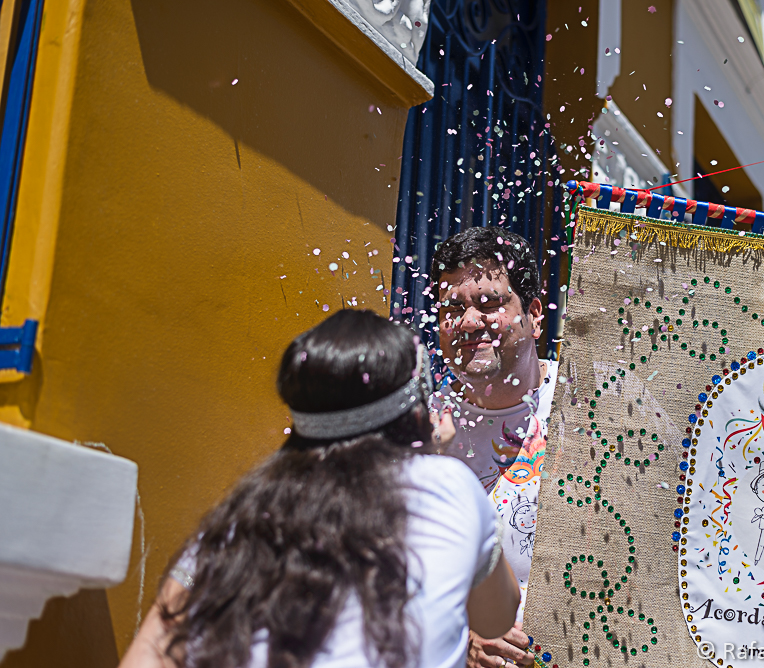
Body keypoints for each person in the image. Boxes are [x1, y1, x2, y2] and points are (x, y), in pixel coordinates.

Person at [119, 310, 521, 668]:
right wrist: (427, 454)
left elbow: (151, 651)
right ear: (416, 411)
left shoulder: (246, 509)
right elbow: (497, 617)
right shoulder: (448, 485)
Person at [431, 227, 558, 668]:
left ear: (534, 316)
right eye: (452, 308)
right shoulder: (419, 435)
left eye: (489, 303)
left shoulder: (595, 408)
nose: (468, 322)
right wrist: (461, 637)